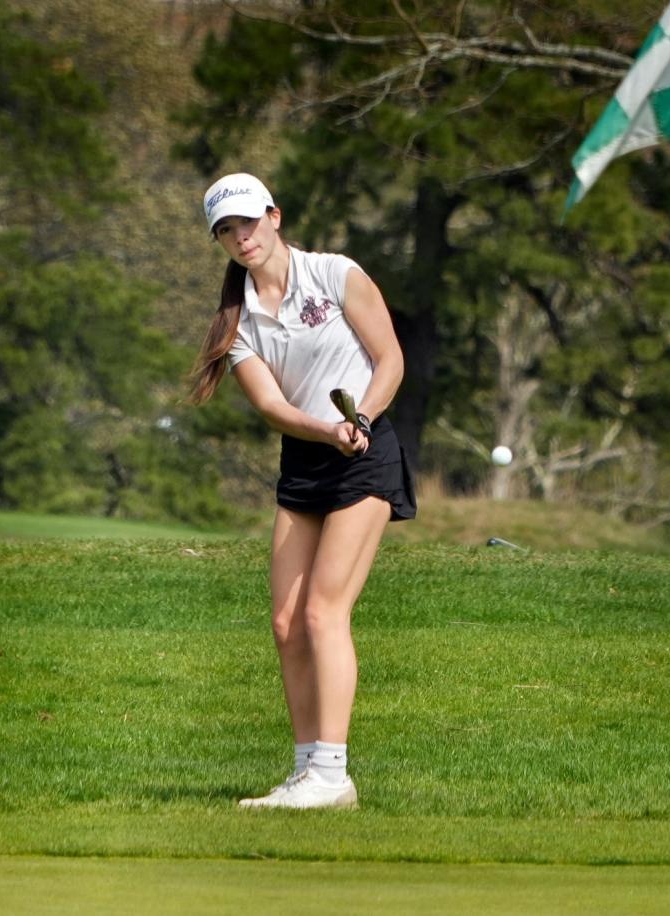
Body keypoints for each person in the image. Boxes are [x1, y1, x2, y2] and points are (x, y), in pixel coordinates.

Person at [189, 173, 416, 810]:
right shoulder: (236, 324)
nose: (241, 238)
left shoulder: (336, 274)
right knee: (287, 624)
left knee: (323, 612)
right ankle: (306, 771)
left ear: (275, 216)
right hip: (308, 458)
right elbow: (271, 405)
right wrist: (325, 428)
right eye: (226, 231)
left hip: (366, 457)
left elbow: (390, 358)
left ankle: (333, 772)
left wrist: (361, 420)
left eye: (248, 223)